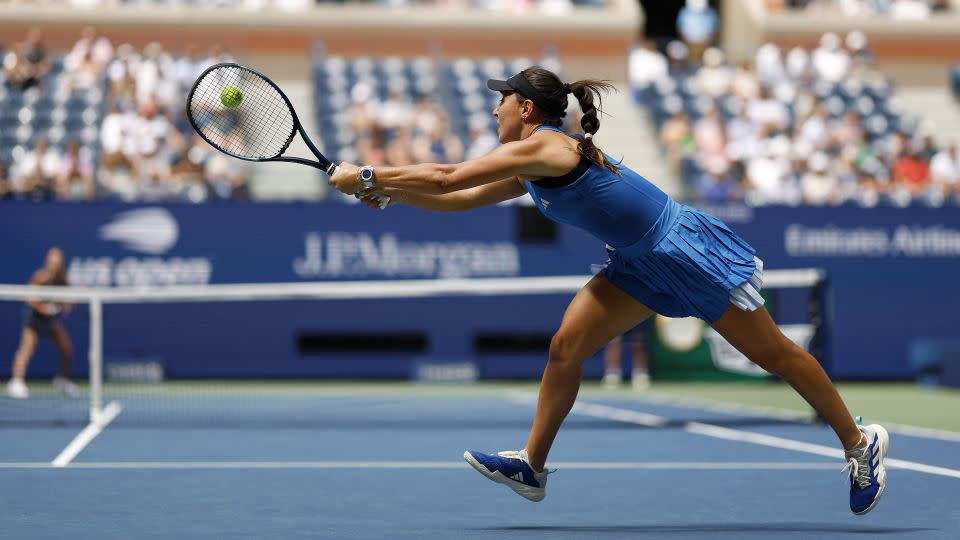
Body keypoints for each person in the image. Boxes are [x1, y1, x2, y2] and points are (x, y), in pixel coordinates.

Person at [329, 66, 888, 515]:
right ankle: (533, 466)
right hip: (639, 265)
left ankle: (859, 443)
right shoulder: (529, 165)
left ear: (526, 109)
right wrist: (393, 195)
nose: (493, 107)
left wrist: (373, 176)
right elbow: (455, 200)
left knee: (775, 356)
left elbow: (451, 175)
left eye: (501, 100)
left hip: (682, 247)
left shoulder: (547, 147)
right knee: (565, 347)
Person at [6, 247, 80, 399]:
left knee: (66, 349)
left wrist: (68, 303)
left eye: (58, 261)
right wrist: (46, 308)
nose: (56, 264)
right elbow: (31, 299)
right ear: (48, 262)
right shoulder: (40, 277)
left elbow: (66, 298)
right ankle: (16, 382)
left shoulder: (62, 278)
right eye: (53, 261)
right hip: (34, 318)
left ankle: (62, 380)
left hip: (50, 320)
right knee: (27, 348)